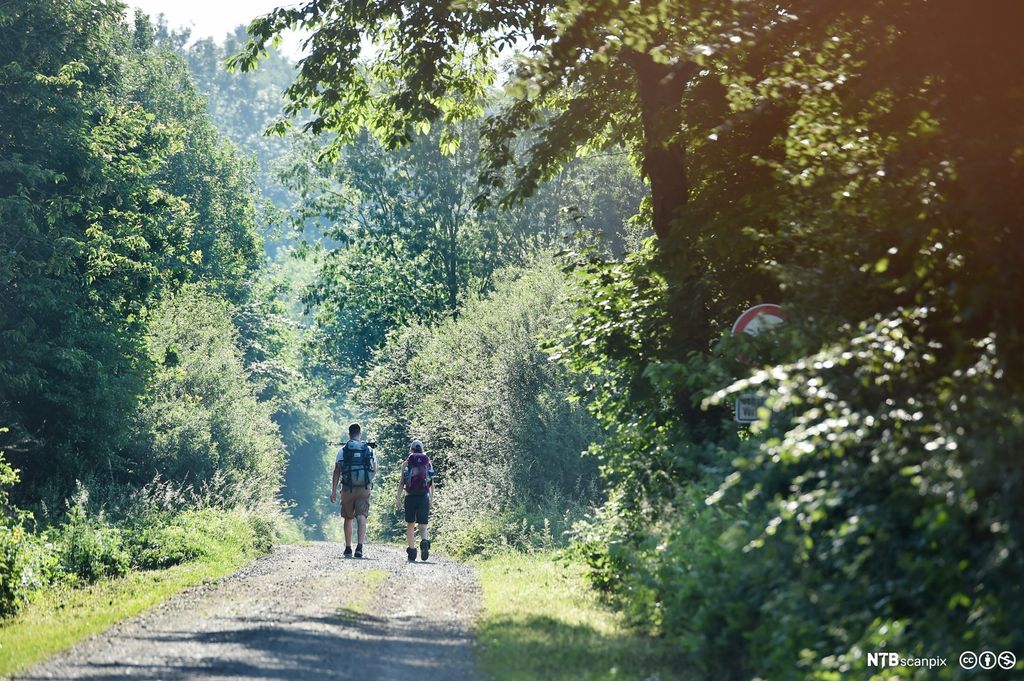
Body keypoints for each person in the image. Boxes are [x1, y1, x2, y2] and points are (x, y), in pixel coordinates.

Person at [331, 423, 376, 558]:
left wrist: (333, 490)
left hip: (347, 488)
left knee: (348, 517)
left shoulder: (343, 450)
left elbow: (337, 471)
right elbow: (374, 469)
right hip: (364, 487)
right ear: (360, 434)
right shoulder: (368, 449)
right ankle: (360, 547)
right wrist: (366, 481)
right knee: (362, 516)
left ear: (349, 434)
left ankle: (348, 548)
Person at [395, 439, 433, 562]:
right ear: (422, 449)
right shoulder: (427, 462)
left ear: (411, 450)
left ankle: (412, 551)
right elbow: (431, 483)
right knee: (423, 525)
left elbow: (402, 482)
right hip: (424, 496)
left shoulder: (406, 464)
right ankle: (424, 542)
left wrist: (398, 499)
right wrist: (431, 499)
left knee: (410, 524)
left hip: (410, 496)